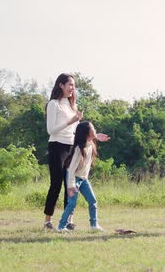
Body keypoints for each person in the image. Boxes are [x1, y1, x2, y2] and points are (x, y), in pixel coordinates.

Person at [43, 73, 109, 230]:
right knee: (56, 184)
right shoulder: (54, 104)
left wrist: (94, 137)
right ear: (61, 85)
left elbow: (77, 132)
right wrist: (70, 121)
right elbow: (51, 130)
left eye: (74, 85)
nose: (73, 88)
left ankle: (68, 221)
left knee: (70, 182)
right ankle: (47, 221)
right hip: (57, 146)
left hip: (72, 146)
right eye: (70, 84)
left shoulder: (73, 106)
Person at [57, 121, 104, 232]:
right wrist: (71, 185)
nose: (95, 130)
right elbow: (71, 169)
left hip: (83, 179)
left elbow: (92, 138)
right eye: (93, 128)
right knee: (72, 204)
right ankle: (61, 226)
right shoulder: (79, 149)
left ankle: (94, 225)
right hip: (73, 178)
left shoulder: (90, 144)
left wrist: (98, 136)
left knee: (93, 201)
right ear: (87, 132)